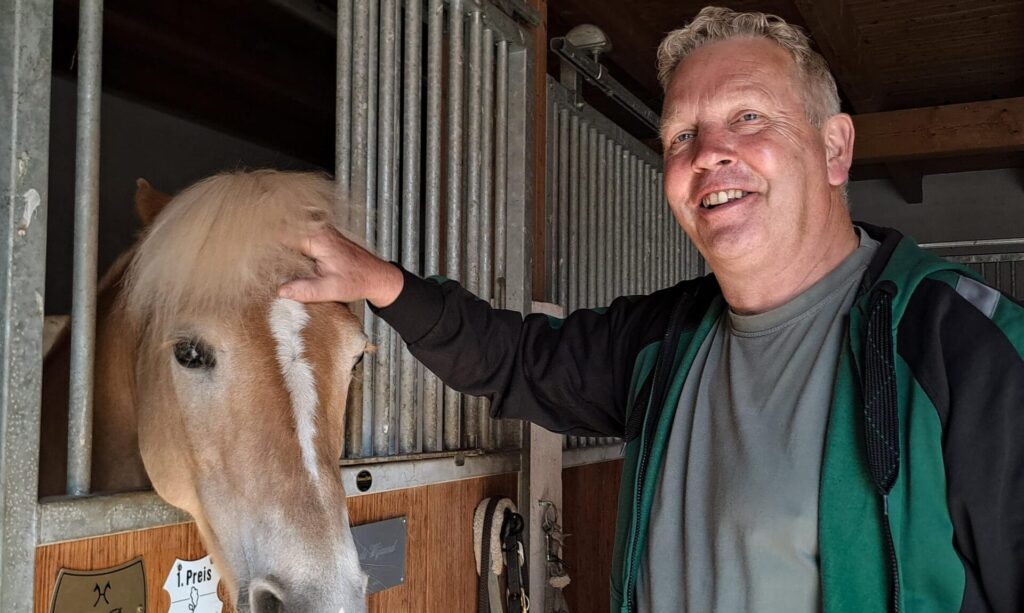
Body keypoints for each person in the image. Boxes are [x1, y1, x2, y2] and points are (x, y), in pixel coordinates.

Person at [279, 7, 1024, 612]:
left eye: (749, 118)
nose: (709, 154)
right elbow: (514, 359)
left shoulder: (967, 347)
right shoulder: (665, 343)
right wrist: (382, 284)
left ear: (835, 149)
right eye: (681, 136)